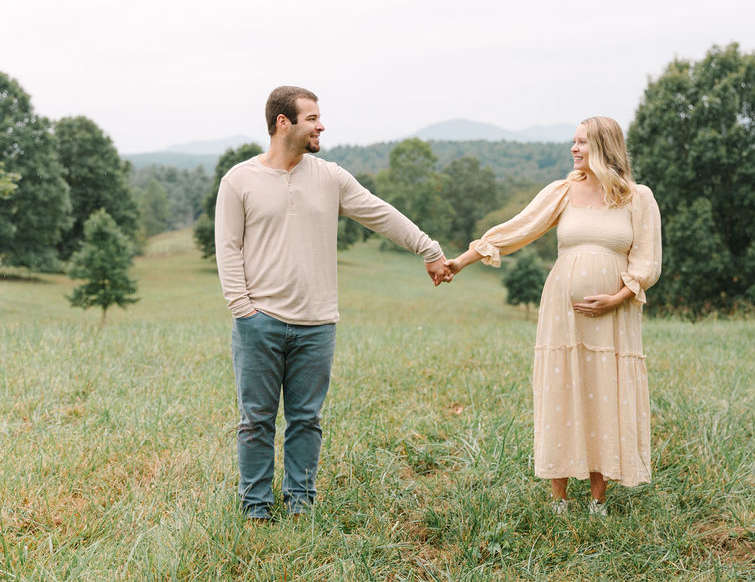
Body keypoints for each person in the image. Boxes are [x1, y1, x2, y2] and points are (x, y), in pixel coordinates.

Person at [215, 86, 452, 519]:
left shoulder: (330, 177)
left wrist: (429, 249)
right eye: (312, 118)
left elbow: (381, 213)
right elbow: (228, 249)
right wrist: (243, 311)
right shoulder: (239, 181)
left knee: (306, 419)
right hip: (259, 322)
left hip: (317, 323)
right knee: (256, 421)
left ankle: (301, 504)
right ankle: (256, 509)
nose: (321, 125)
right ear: (283, 123)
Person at [446, 116, 661, 515]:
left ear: (604, 147)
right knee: (563, 388)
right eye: (573, 142)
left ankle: (598, 497)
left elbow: (648, 260)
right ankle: (558, 498)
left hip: (614, 314)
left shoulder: (637, 197)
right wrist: (460, 262)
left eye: (582, 143)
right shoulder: (562, 192)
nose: (574, 149)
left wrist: (617, 297)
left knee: (605, 388)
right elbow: (514, 230)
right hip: (563, 310)